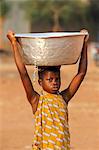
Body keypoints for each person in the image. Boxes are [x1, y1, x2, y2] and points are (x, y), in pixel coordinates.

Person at [7, 30, 89, 150]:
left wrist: (84, 44)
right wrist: (14, 43)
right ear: (40, 82)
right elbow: (23, 73)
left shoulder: (64, 98)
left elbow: (81, 74)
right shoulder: (36, 101)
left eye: (57, 79)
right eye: (49, 79)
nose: (54, 82)